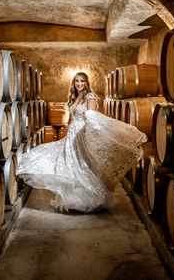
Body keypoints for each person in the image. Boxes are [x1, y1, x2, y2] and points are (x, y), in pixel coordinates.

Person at [16, 72, 147, 213]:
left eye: (82, 81)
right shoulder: (76, 97)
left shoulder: (89, 96)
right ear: (74, 83)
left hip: (82, 134)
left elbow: (92, 116)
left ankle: (88, 200)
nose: (79, 84)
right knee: (70, 165)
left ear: (86, 83)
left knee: (82, 165)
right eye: (77, 81)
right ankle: (72, 200)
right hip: (72, 135)